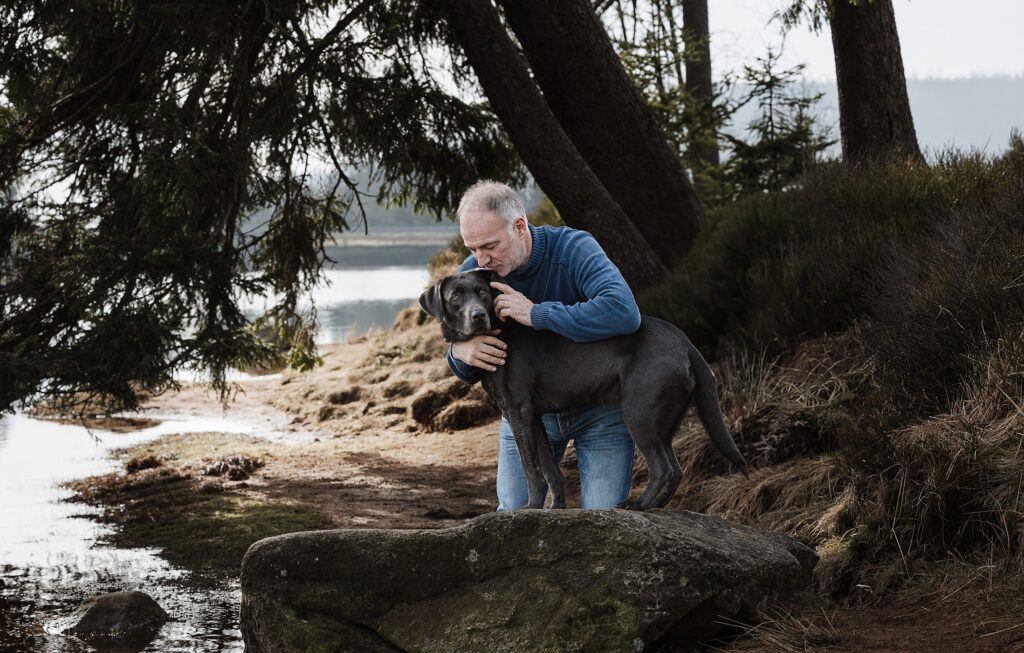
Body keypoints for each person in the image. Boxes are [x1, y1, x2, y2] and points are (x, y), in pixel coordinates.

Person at [446, 180, 642, 510]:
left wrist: (538, 313)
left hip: (600, 409)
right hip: (525, 417)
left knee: (604, 520)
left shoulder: (574, 249)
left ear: (519, 227)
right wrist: (459, 352)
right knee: (513, 513)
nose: (481, 259)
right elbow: (464, 366)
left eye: (490, 246)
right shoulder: (476, 273)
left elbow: (624, 312)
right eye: (472, 248)